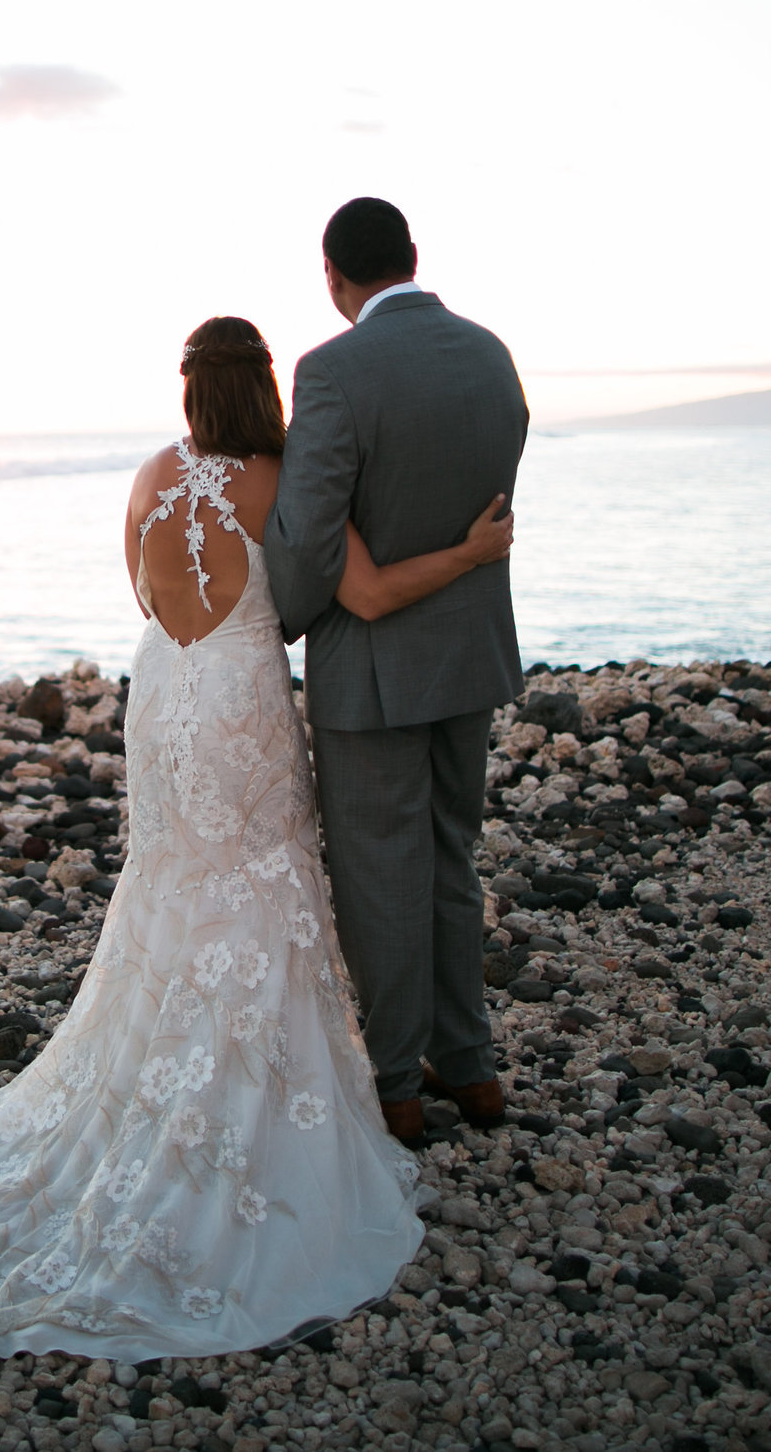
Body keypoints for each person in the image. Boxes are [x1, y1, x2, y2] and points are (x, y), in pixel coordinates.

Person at [0, 312, 513, 1358]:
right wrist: (470, 550)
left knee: (172, 881)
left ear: (186, 392)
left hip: (164, 693)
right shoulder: (275, 477)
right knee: (260, 879)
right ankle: (253, 1092)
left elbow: (141, 590)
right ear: (261, 389)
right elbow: (348, 594)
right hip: (238, 703)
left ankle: (148, 1071)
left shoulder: (145, 476)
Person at [265, 196, 531, 1145]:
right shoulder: (489, 354)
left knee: (381, 871)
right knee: (451, 860)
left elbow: (307, 534)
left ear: (333, 278)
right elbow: (489, 504)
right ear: (413, 258)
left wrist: (277, 623)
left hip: (371, 669)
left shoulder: (331, 372)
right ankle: (471, 1067)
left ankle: (393, 1084)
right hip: (468, 655)